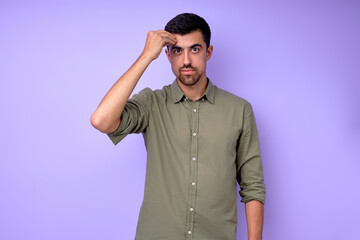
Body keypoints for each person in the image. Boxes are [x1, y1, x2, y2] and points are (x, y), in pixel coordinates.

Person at [91, 13, 265, 240]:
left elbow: (252, 186)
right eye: (177, 51)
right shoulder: (151, 104)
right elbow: (101, 121)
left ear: (208, 52)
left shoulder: (239, 110)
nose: (186, 61)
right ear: (167, 55)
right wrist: (146, 56)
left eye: (194, 49)